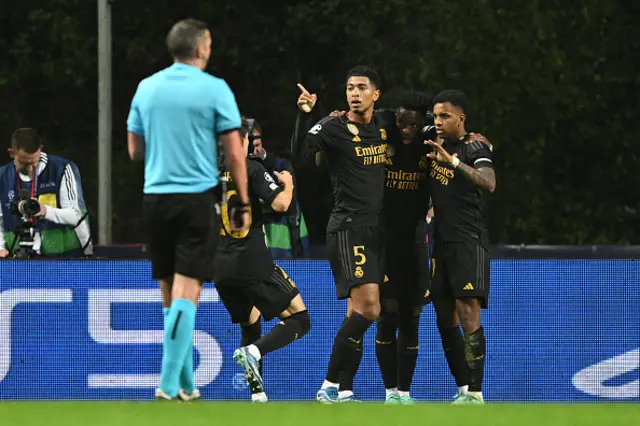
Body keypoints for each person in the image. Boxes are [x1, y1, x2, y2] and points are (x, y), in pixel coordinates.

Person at [126, 18, 249, 401]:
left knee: (170, 291)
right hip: (196, 199)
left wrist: (165, 156)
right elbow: (234, 153)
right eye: (209, 45)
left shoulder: (146, 88)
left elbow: (134, 150)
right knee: (188, 288)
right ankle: (166, 383)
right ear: (200, 49)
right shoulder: (215, 89)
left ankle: (185, 384)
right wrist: (242, 201)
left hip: (155, 198)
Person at [292, 65, 391, 403]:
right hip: (348, 228)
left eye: (362, 87)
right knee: (370, 310)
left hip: (375, 229)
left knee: (355, 313)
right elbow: (302, 154)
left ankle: (344, 391)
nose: (354, 93)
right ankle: (329, 385)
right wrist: (304, 116)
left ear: (376, 94)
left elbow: (413, 124)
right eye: (350, 87)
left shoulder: (383, 123)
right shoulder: (334, 126)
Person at [214, 117, 311, 403]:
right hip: (252, 263)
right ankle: (254, 353)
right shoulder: (251, 168)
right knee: (300, 319)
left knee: (251, 324)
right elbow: (281, 204)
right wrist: (288, 184)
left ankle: (257, 397)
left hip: (220, 266)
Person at [425, 89, 496, 405]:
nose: (437, 122)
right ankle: (464, 388)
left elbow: (489, 182)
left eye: (445, 116)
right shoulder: (433, 140)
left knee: (469, 313)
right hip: (440, 244)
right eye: (436, 116)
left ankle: (476, 392)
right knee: (444, 318)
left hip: (468, 241)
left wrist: (452, 161)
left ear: (461, 118)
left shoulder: (474, 146)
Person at [0, 128, 92, 258]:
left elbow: (77, 214)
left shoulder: (62, 169)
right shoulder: (2, 176)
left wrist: (45, 211)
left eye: (34, 162)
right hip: (20, 260)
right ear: (11, 153)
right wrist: (0, 247)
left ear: (40, 149)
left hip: (66, 258)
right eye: (24, 163)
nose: (30, 168)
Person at [247, 119, 310, 258]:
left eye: (257, 145)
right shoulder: (235, 168)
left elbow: (287, 204)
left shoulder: (281, 166)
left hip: (282, 237)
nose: (253, 151)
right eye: (249, 146)